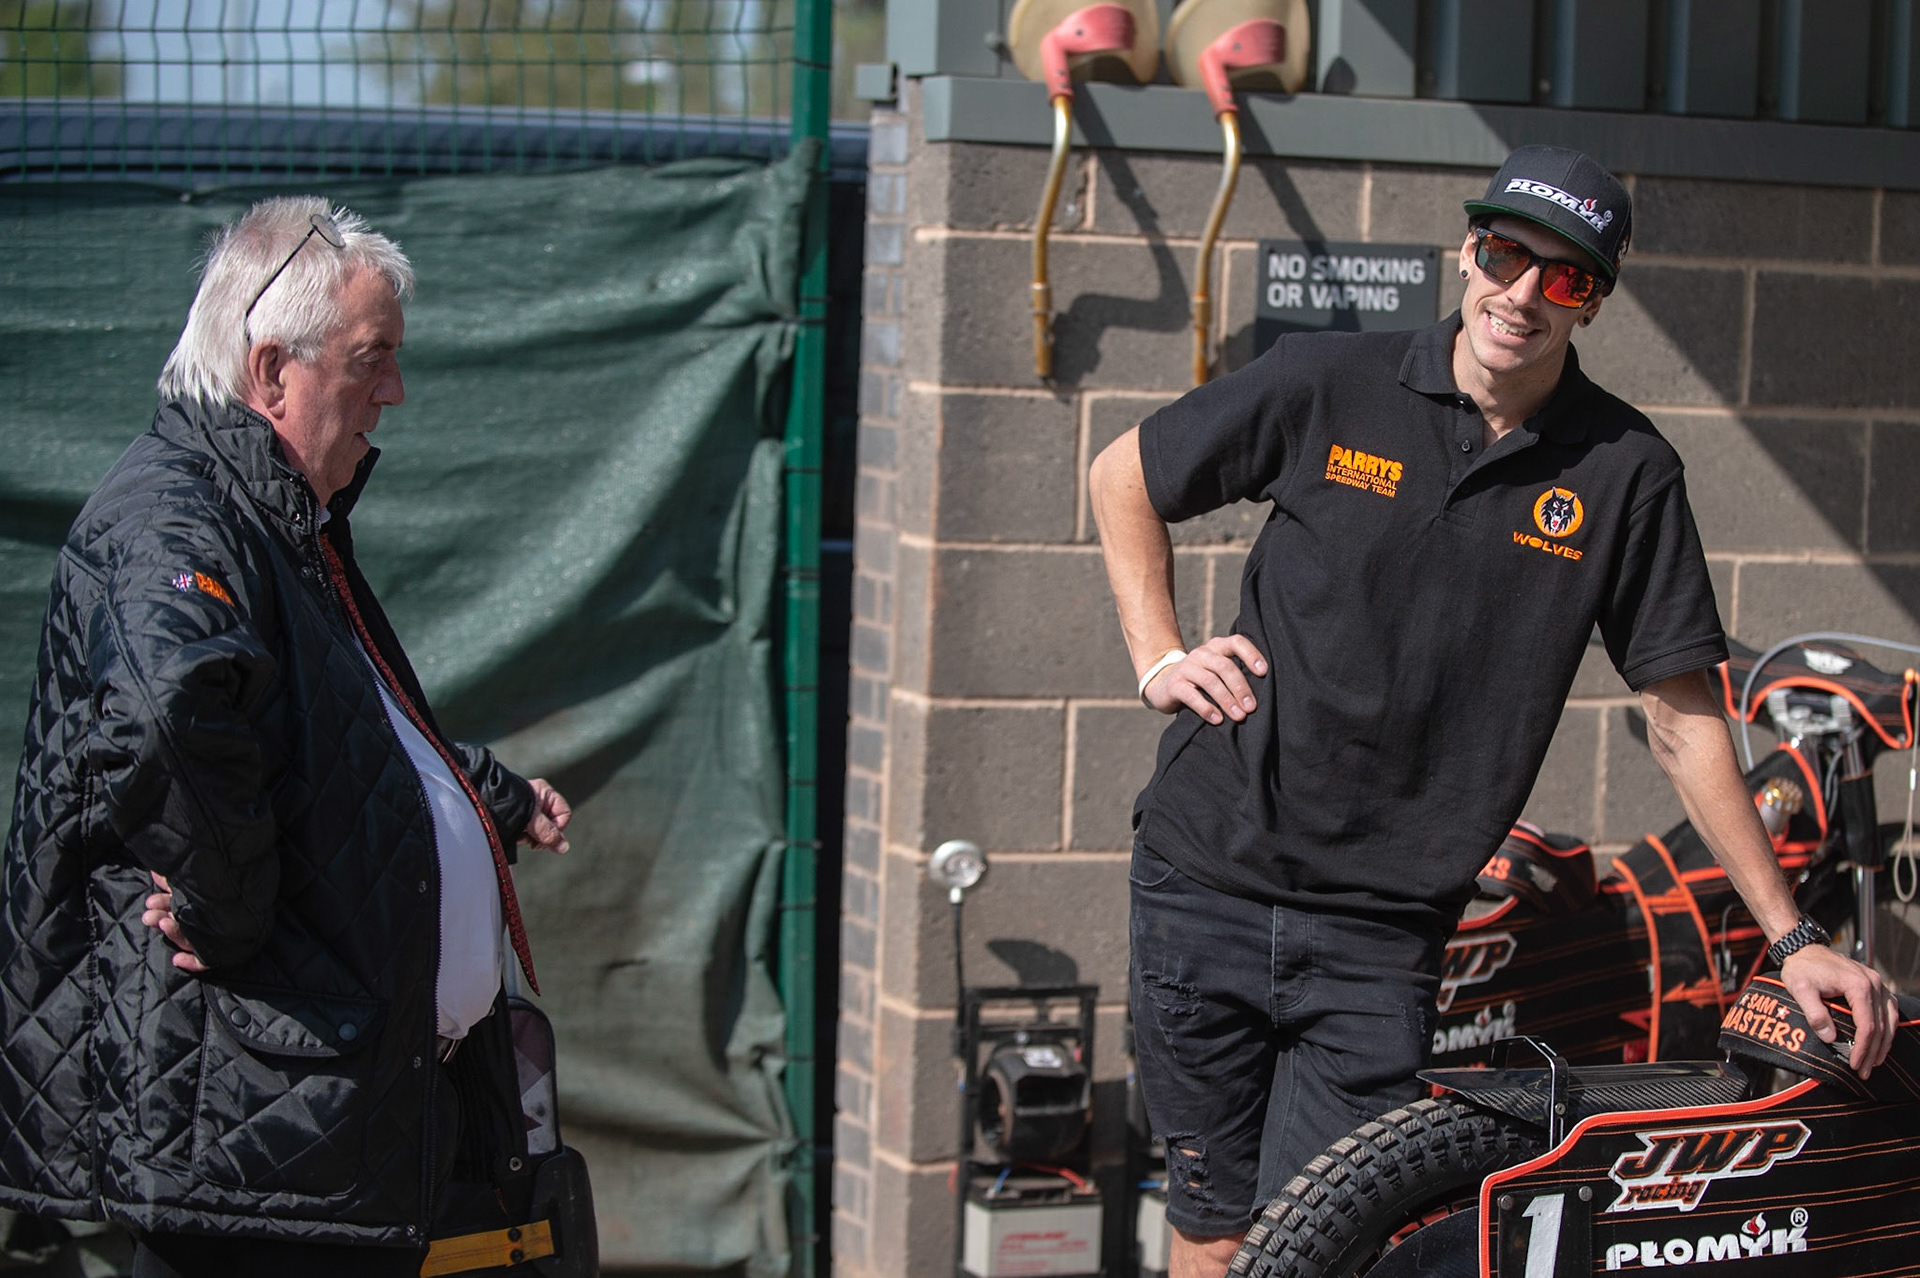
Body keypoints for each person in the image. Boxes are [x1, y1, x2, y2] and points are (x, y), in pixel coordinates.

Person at [1088, 145, 1898, 1278]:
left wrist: (1792, 934)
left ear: (1594, 302)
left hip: (1384, 935)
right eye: (1504, 255)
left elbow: (1683, 718)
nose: (1521, 294)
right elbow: (1125, 473)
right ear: (1468, 252)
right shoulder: (1330, 379)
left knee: (1326, 1242)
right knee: (1217, 1230)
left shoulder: (1626, 473)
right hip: (1206, 883)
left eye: (1563, 278)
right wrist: (1157, 653)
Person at [0, 196, 573, 1277]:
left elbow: (332, 738)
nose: (393, 392)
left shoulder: (278, 525)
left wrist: (483, 795)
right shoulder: (171, 516)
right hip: (244, 1146)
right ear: (271, 372)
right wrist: (228, 906)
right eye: (372, 360)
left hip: (313, 1139)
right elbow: (173, 710)